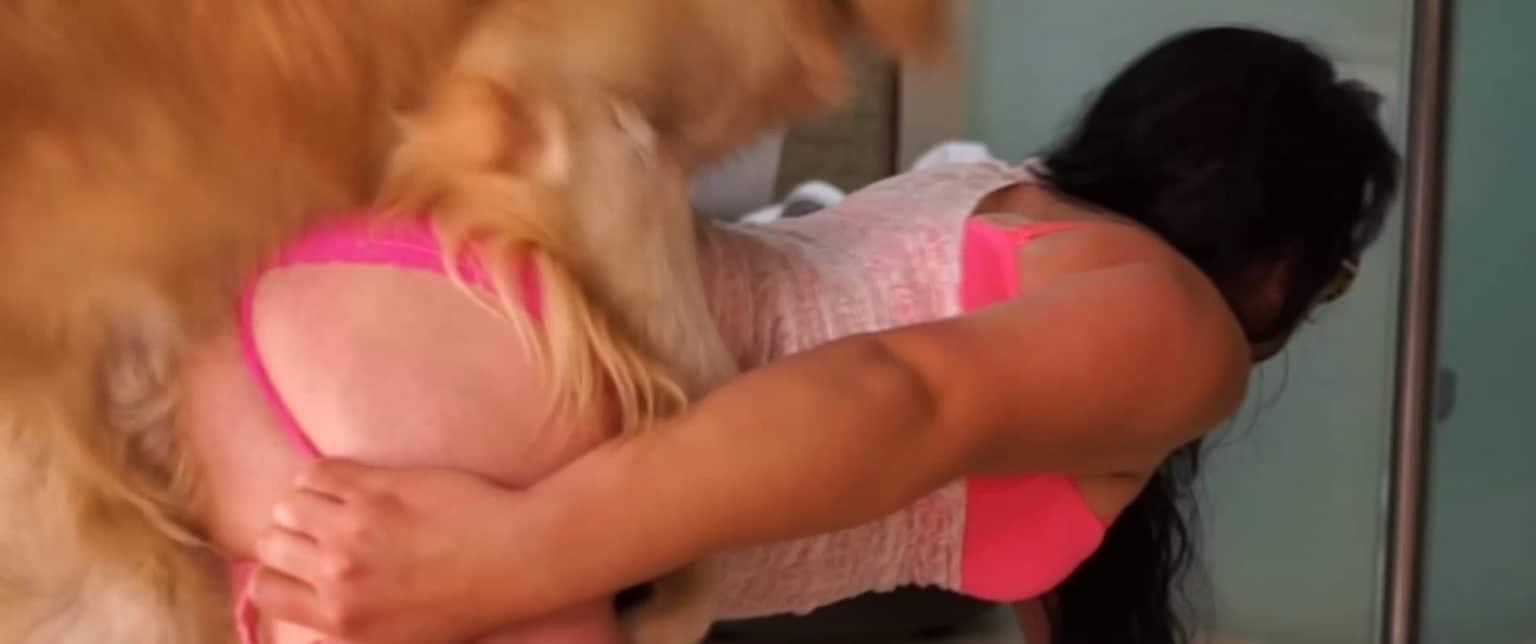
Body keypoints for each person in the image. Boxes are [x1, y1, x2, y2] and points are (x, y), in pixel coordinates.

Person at [189, 26, 1397, 644]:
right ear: (1280, 257)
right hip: (517, 413)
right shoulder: (1181, 331)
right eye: (1332, 273)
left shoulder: (982, 192)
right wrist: (505, 555)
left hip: (369, 305)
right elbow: (896, 395)